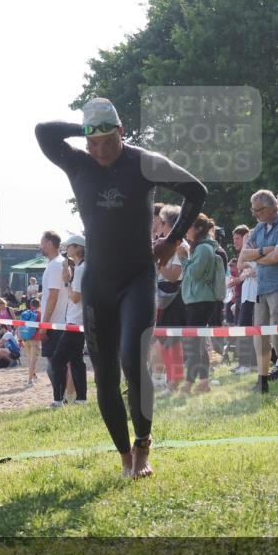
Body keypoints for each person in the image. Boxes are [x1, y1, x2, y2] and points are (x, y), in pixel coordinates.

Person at [36, 96, 205, 479]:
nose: (99, 151)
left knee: (132, 359)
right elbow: (43, 132)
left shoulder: (143, 162)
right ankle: (124, 455)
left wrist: (172, 241)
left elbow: (197, 192)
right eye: (92, 143)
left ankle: (143, 444)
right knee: (105, 374)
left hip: (137, 277)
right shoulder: (78, 162)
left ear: (121, 132)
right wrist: (88, 129)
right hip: (98, 280)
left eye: (108, 142)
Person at [237, 190, 278, 396]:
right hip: (261, 288)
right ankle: (262, 382)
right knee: (260, 337)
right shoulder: (257, 229)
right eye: (252, 210)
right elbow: (242, 259)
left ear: (273, 208)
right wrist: (265, 251)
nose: (255, 214)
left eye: (258, 210)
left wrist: (257, 257)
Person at [177, 214, 223, 395]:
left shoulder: (204, 248)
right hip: (197, 300)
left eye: (189, 227)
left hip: (201, 301)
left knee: (193, 344)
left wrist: (182, 258)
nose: (186, 231)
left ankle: (189, 384)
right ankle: (203, 382)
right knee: (198, 344)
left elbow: (194, 274)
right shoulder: (202, 247)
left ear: (198, 229)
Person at [48, 234, 88, 406]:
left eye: (69, 246)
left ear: (78, 248)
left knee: (58, 361)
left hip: (75, 321)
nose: (66, 249)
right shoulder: (83, 267)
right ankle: (81, 399)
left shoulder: (81, 269)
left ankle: (58, 400)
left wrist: (66, 282)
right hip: (78, 320)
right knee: (77, 360)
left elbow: (76, 297)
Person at [154, 205, 188, 393]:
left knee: (172, 341)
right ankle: (171, 381)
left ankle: (174, 382)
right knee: (165, 340)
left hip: (174, 297)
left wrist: (159, 264)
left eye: (163, 222)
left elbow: (174, 275)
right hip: (165, 296)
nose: (160, 225)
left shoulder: (180, 245)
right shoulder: (167, 244)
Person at [38, 230, 69, 401]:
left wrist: (44, 324)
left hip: (55, 323)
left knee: (55, 365)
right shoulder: (55, 263)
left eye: (42, 243)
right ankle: (61, 398)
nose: (40, 246)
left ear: (49, 243)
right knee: (55, 365)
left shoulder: (56, 264)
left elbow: (53, 296)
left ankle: (60, 399)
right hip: (56, 321)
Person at [230, 225, 257, 374]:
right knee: (243, 329)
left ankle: (249, 363)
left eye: (247, 240)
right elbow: (243, 269)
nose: (245, 243)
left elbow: (242, 265)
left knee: (247, 330)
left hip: (253, 296)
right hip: (246, 296)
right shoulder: (250, 257)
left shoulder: (255, 256)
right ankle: (244, 362)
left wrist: (245, 271)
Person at [21, 298, 43, 384]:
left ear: (31, 305)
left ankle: (34, 376)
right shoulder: (40, 314)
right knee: (33, 360)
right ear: (39, 305)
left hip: (26, 338)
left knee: (30, 359)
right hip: (35, 339)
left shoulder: (26, 313)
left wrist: (20, 338)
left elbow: (20, 325)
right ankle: (29, 380)